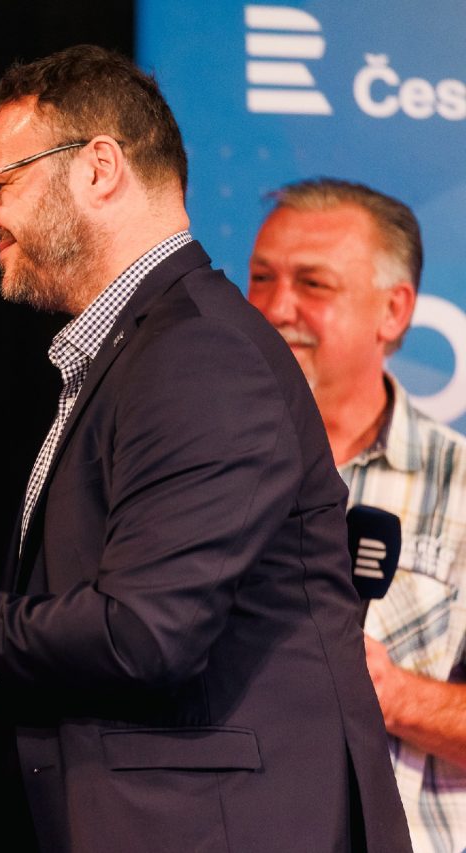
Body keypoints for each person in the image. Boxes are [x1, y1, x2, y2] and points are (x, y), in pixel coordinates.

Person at [0, 45, 412, 851]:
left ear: (99, 168)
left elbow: (143, 637)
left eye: (0, 185)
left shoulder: (200, 356)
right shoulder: (137, 353)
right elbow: (104, 662)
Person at [248, 178, 466, 851]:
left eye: (313, 284)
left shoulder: (459, 485)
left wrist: (389, 692)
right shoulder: (193, 463)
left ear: (393, 311)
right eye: (261, 279)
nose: (276, 307)